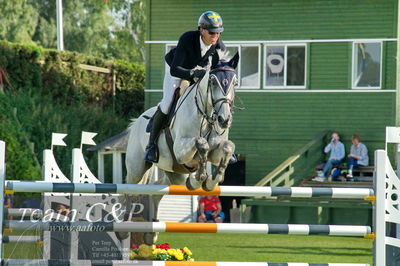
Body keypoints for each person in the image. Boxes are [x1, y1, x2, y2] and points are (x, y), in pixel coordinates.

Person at [144, 11, 226, 163]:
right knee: (168, 103)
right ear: (201, 30)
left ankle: (220, 144)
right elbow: (176, 69)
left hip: (197, 75)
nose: (215, 36)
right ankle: (151, 146)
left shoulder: (218, 47)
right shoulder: (187, 39)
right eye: (211, 32)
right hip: (177, 72)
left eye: (218, 32)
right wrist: (193, 73)